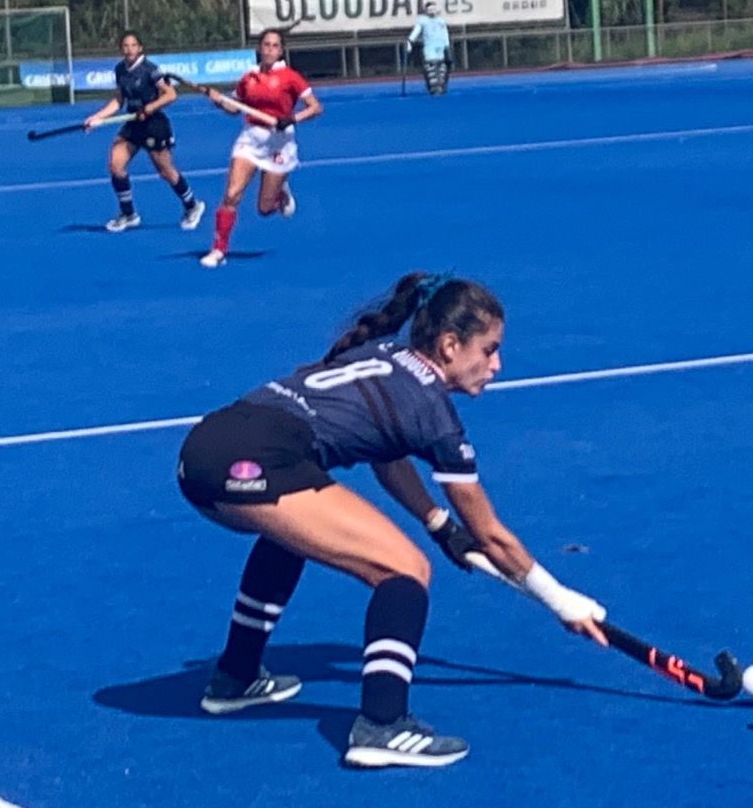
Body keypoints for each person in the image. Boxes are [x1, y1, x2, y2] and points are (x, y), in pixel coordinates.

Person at [179, 272, 609, 768]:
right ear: (450, 346)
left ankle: (236, 675)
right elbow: (491, 535)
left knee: (292, 533)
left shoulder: (385, 355)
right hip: (254, 462)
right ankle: (382, 724)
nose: (497, 365)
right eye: (489, 350)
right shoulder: (433, 413)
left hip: (204, 451)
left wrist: (437, 523)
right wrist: (561, 601)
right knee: (404, 570)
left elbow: (387, 456)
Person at [199, 30, 320, 269]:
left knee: (264, 209)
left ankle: (280, 193)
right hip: (251, 139)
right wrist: (220, 102)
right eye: (266, 45)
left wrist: (292, 118)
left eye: (275, 46)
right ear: (260, 48)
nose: (270, 50)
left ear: (281, 50)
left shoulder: (290, 77)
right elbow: (235, 108)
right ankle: (219, 249)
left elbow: (315, 107)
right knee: (231, 194)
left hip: (279, 142)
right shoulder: (249, 78)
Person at [83, 32, 203, 233]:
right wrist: (97, 117)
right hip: (133, 124)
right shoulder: (120, 69)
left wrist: (150, 107)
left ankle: (192, 205)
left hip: (154, 124)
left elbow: (171, 94)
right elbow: (119, 100)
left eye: (133, 45)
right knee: (115, 165)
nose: (129, 49)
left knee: (165, 171)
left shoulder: (150, 70)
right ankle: (128, 214)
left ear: (140, 48)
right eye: (125, 45)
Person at [405, 2, 453, 96]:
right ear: (426, 11)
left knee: (442, 69)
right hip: (429, 50)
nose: (432, 11)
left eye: (434, 9)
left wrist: (447, 47)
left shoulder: (441, 21)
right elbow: (416, 32)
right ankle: (433, 87)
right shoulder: (423, 21)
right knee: (431, 69)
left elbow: (445, 35)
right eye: (430, 10)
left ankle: (441, 85)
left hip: (440, 49)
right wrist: (410, 41)